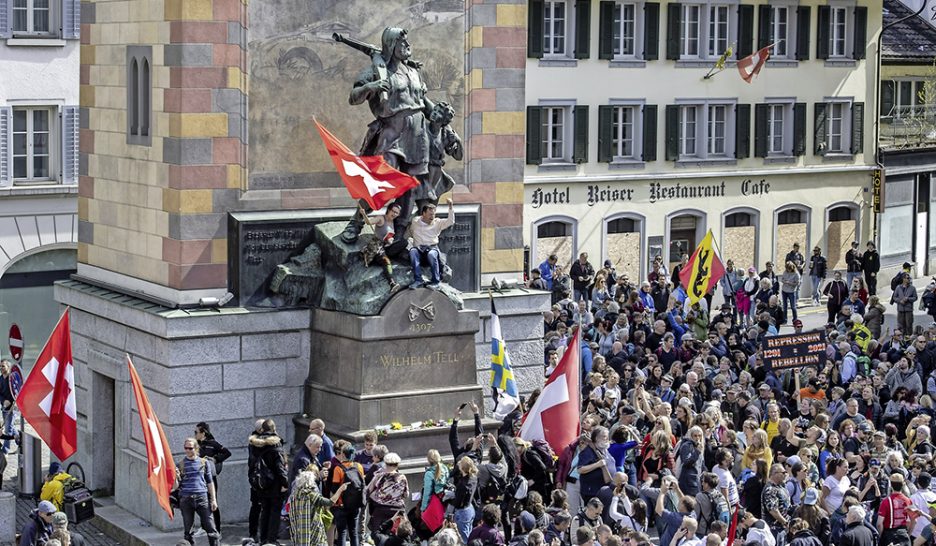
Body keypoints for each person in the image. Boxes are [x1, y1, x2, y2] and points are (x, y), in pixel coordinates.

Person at [343, 27, 434, 242]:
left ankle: (400, 232)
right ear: (392, 46)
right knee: (381, 180)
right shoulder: (377, 70)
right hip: (393, 132)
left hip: (418, 135)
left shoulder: (413, 71)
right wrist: (372, 86)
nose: (407, 46)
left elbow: (422, 104)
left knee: (413, 184)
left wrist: (442, 122)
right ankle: (355, 223)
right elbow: (353, 97)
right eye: (402, 43)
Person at [247, 419, 288, 545]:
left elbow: (251, 464)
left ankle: (263, 539)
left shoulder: (254, 444)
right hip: (275, 485)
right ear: (274, 429)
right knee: (274, 511)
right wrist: (285, 484)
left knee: (264, 510)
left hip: (260, 484)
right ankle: (271, 540)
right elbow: (280, 467)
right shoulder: (276, 444)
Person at [174, 437, 220, 546]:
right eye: (186, 448)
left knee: (211, 529)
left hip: (202, 498)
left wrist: (213, 500)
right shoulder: (180, 464)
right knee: (188, 531)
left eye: (190, 448)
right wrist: (176, 477)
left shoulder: (204, 463)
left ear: (196, 448)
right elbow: (175, 487)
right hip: (186, 499)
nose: (187, 450)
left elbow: (210, 482)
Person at [406, 199, 455, 288]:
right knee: (412, 252)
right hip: (419, 249)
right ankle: (418, 280)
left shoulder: (438, 222)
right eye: (430, 214)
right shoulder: (415, 221)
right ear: (423, 214)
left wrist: (450, 207)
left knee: (432, 254)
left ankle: (435, 281)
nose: (432, 217)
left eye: (433, 214)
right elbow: (410, 230)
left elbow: (450, 221)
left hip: (432, 248)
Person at [290, 469, 345, 546]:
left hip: (299, 530)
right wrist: (340, 489)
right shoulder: (312, 495)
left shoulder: (294, 496)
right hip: (313, 531)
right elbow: (330, 502)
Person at [327, 443, 367, 546]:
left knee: (342, 533)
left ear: (342, 454)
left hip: (341, 505)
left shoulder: (338, 469)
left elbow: (335, 488)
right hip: (355, 505)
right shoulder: (359, 466)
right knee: (353, 532)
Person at [194, 422, 230, 533]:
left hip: (210, 478)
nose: (195, 434)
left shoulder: (213, 444)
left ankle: (217, 529)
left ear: (203, 432)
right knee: (201, 502)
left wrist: (215, 459)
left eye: (196, 432)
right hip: (199, 478)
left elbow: (227, 453)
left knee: (212, 502)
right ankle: (203, 527)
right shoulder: (196, 444)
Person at [365, 452, 408, 536]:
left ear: (385, 463)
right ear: (397, 464)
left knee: (379, 536)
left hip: (381, 510)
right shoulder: (402, 477)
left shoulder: (380, 476)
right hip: (398, 510)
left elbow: (368, 491)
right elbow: (406, 494)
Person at [452, 456, 479, 543]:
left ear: (463, 468)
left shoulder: (462, 484)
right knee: (469, 534)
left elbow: (457, 503)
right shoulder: (474, 478)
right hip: (470, 509)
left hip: (462, 512)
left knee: (464, 539)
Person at [892, 274, 918, 338]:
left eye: (909, 278)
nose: (908, 279)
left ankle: (909, 338)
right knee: (901, 325)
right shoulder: (898, 287)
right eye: (907, 278)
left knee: (909, 325)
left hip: (908, 309)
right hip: (900, 309)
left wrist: (908, 299)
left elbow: (915, 297)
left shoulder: (912, 288)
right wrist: (899, 301)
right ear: (903, 279)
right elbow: (894, 297)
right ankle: (901, 338)